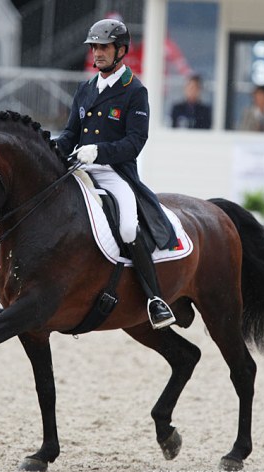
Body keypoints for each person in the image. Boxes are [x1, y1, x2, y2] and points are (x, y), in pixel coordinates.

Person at [56, 18, 177, 329]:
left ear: (121, 50)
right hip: (80, 167)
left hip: (114, 172)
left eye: (103, 47)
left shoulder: (134, 91)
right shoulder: (85, 89)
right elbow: (71, 133)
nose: (97, 52)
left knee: (125, 228)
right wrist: (54, 147)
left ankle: (154, 299)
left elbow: (135, 142)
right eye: (94, 47)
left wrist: (99, 151)